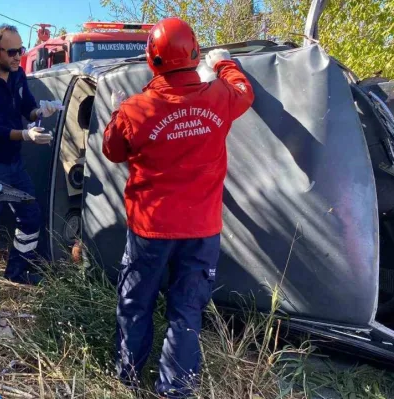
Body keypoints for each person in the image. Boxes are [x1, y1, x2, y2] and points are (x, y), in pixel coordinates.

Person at [103, 17, 255, 398]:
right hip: (201, 229)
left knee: (136, 304)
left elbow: (112, 150)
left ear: (151, 61)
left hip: (150, 229)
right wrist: (224, 63)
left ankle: (128, 379)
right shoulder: (220, 96)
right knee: (186, 313)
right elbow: (244, 91)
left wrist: (115, 114)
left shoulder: (135, 108)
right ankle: (175, 391)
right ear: (195, 54)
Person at [0, 24, 63, 306]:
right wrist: (25, 134)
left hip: (15, 163)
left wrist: (41, 111)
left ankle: (17, 270)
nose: (18, 56)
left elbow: (28, 109)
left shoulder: (18, 74)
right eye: (11, 52)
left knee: (31, 216)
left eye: (20, 50)